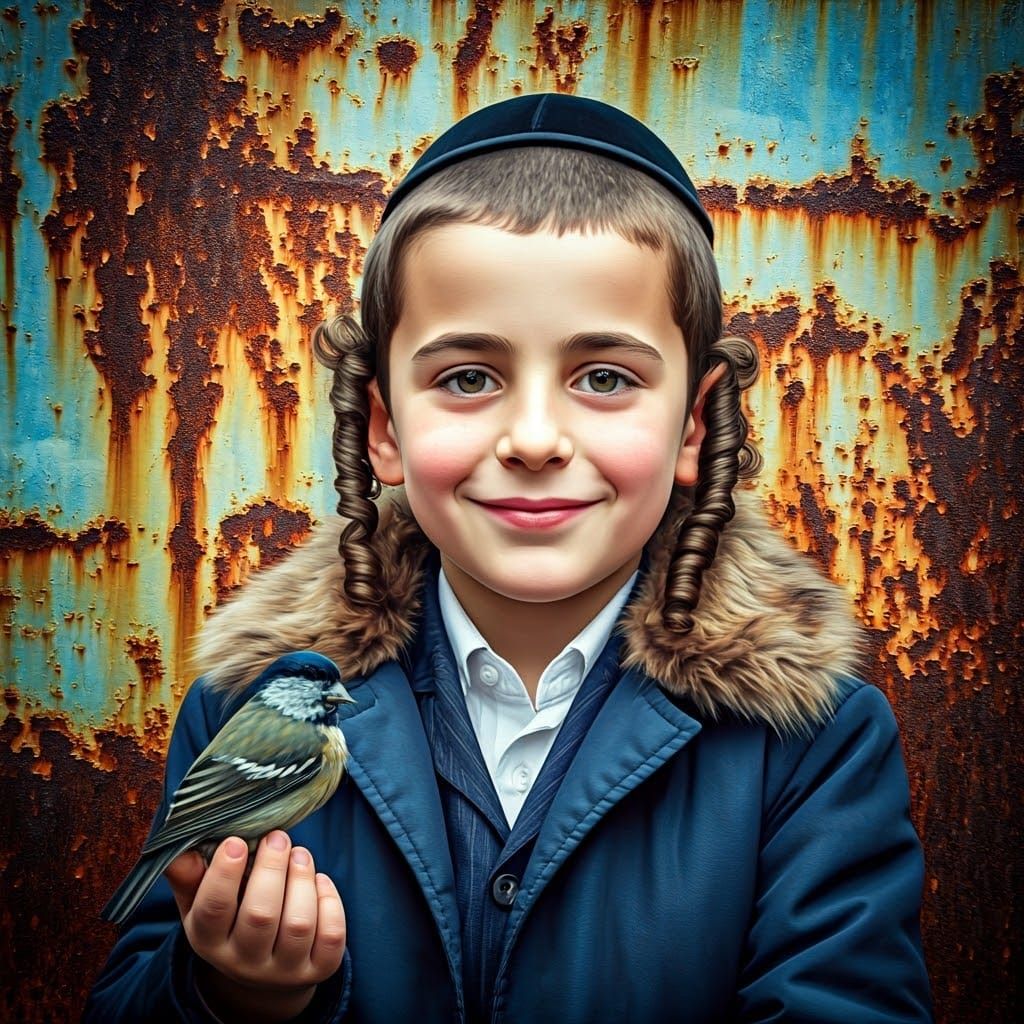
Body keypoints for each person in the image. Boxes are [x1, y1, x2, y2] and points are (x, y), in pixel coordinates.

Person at [85, 94, 933, 1023]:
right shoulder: (242, 703)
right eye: (468, 378)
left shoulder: (811, 736)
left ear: (695, 423)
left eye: (604, 377)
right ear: (381, 426)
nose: (534, 439)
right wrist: (227, 994)